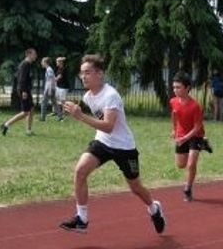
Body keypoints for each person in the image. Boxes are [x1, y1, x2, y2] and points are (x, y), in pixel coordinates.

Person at [58, 54, 165, 235]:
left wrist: (80, 116)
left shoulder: (111, 95)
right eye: (81, 73)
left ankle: (154, 208)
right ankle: (81, 219)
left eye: (87, 73)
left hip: (124, 147)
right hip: (102, 142)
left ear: (100, 74)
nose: (83, 76)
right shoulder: (87, 96)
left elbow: (108, 126)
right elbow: (103, 129)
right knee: (80, 171)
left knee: (135, 187)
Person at [169, 72, 212, 202]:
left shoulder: (195, 106)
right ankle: (204, 144)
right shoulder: (173, 101)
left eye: (178, 87)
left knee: (191, 164)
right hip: (181, 135)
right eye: (174, 87)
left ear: (187, 88)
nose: (175, 90)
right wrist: (174, 129)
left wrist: (185, 138)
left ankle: (188, 188)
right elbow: (174, 114)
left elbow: (197, 127)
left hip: (195, 135)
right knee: (181, 165)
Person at [1, 47, 37, 136]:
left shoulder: (28, 64)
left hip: (26, 90)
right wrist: (24, 91)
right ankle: (6, 125)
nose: (36, 56)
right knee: (25, 112)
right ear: (29, 54)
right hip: (23, 90)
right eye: (34, 54)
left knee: (31, 108)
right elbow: (21, 79)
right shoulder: (24, 64)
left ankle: (29, 130)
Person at [40, 56, 58, 121]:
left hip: (49, 89)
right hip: (51, 88)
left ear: (45, 62)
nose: (41, 63)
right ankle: (60, 117)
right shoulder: (49, 69)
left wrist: (50, 90)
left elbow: (50, 80)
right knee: (54, 103)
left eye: (42, 62)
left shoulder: (49, 69)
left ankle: (42, 118)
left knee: (43, 102)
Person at [53, 56, 68, 120]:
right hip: (58, 86)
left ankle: (63, 114)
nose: (56, 62)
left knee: (62, 101)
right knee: (58, 100)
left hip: (63, 87)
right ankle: (58, 113)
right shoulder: (58, 68)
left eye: (57, 61)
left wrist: (52, 80)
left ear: (60, 62)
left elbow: (59, 77)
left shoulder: (63, 69)